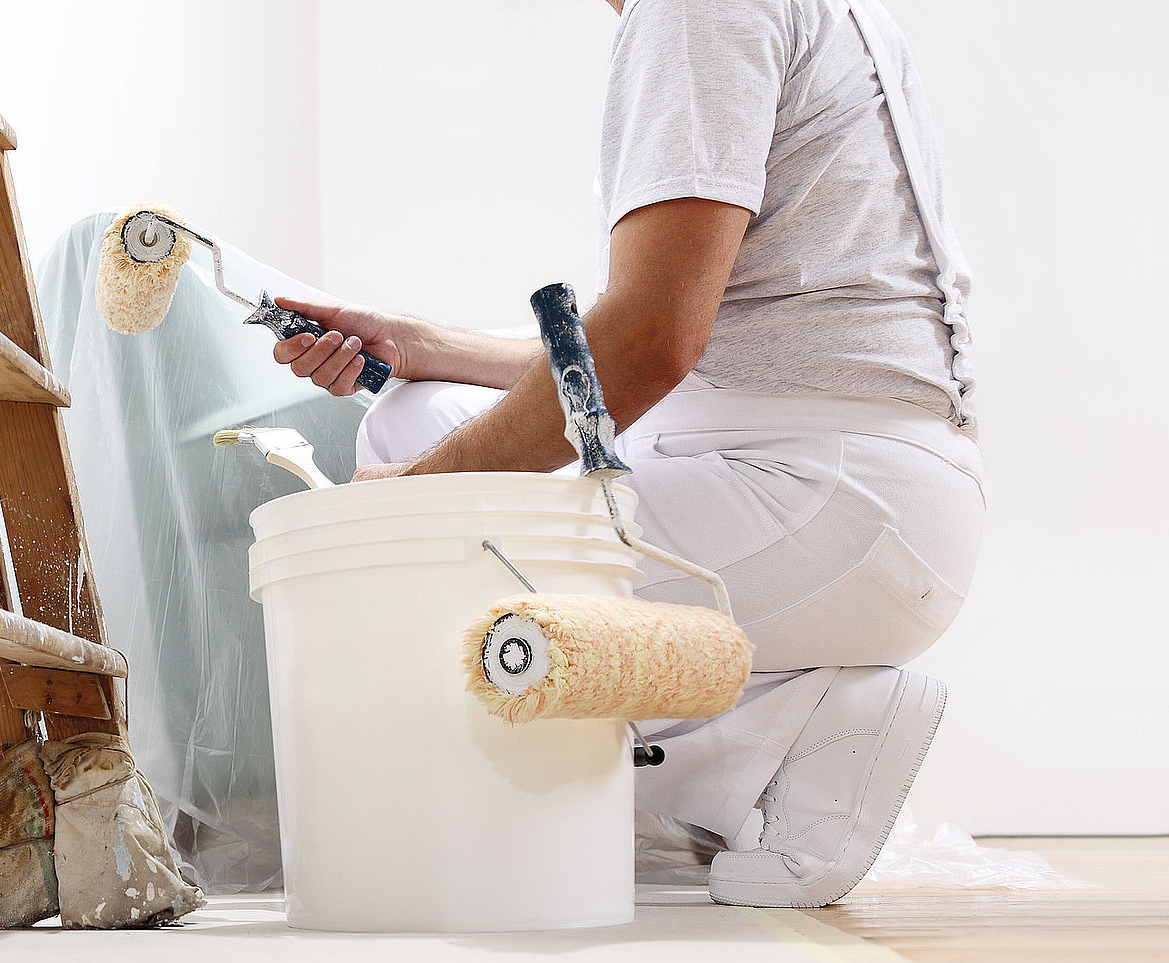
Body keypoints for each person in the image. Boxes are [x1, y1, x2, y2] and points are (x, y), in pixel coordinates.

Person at [268, 0, 985, 907]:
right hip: (849, 484)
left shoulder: (697, 11)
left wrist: (417, 498)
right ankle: (762, 727)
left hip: (826, 498)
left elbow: (647, 342)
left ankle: (785, 736)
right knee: (423, 411)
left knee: (417, 589)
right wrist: (422, 346)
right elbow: (650, 341)